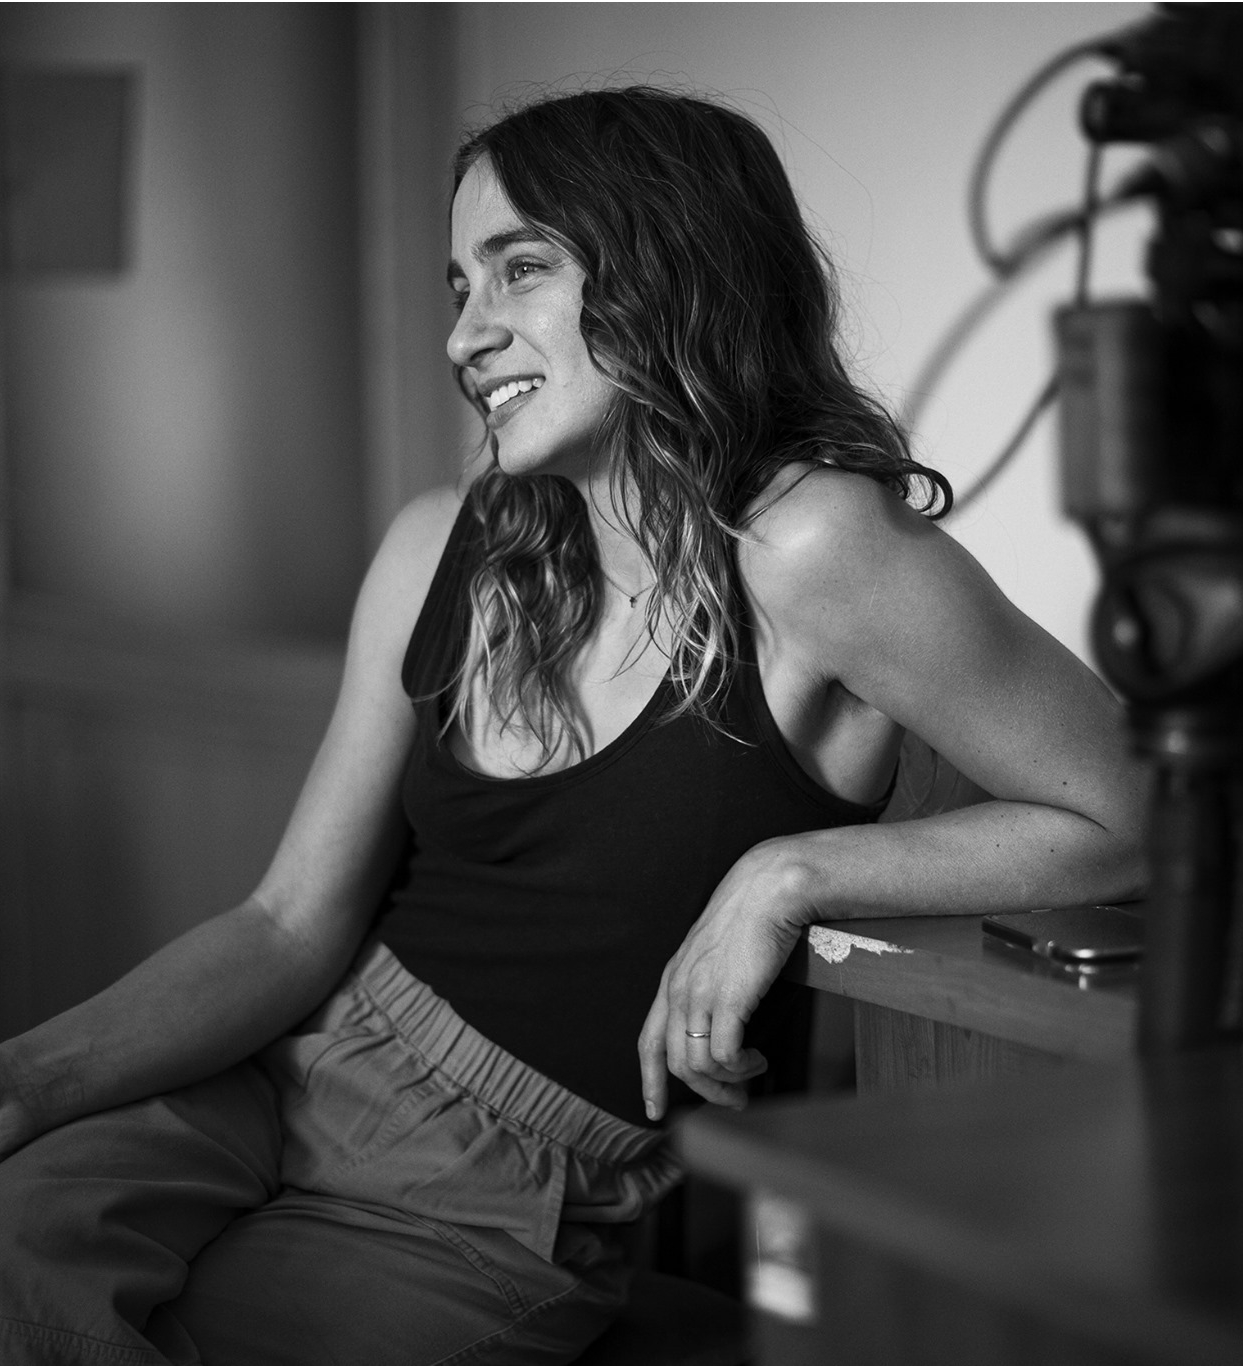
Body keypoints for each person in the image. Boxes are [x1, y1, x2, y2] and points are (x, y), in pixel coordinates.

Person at [0, 87, 1145, 1366]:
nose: (464, 336)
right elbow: (285, 924)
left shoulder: (814, 548)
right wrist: (30, 1080)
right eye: (456, 288)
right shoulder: (439, 544)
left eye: (519, 269)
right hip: (275, 1074)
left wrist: (790, 872)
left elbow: (1136, 813)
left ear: (668, 267)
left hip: (496, 1190)